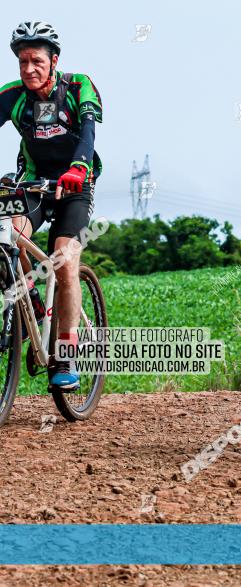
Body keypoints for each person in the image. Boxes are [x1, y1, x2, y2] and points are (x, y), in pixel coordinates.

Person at [0, 21, 103, 391]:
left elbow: (89, 131)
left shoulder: (78, 86)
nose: (29, 69)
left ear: (53, 60)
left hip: (75, 183)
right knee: (9, 231)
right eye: (22, 61)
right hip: (31, 183)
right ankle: (29, 298)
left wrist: (78, 167)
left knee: (63, 258)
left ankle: (65, 352)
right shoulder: (12, 95)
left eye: (36, 61)